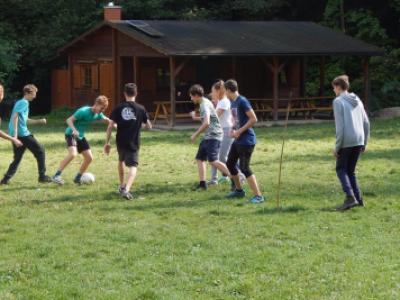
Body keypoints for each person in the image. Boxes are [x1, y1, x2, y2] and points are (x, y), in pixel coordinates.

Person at [104, 83, 152, 200]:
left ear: (124, 94)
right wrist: (142, 124)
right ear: (136, 93)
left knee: (121, 161)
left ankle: (121, 186)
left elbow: (110, 126)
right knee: (133, 166)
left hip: (120, 140)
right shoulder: (141, 108)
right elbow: (149, 126)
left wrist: (107, 142)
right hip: (134, 141)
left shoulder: (118, 107)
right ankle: (127, 189)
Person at [52, 95, 111, 185]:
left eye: (103, 109)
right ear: (96, 103)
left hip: (80, 136)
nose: (101, 110)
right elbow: (69, 120)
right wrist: (74, 130)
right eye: (101, 107)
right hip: (71, 134)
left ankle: (78, 178)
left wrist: (116, 124)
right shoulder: (83, 111)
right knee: (73, 154)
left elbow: (106, 120)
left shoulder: (98, 114)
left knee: (89, 158)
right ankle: (56, 175)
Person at [1, 84, 53, 185]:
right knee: (40, 151)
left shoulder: (20, 103)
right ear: (28, 93)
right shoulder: (24, 102)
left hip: (18, 134)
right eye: (34, 93)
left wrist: (39, 121)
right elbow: (15, 117)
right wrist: (15, 136)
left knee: (17, 158)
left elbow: (25, 120)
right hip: (22, 134)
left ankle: (5, 180)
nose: (35, 96)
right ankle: (42, 176)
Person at [332, 75, 370, 211]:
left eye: (334, 88)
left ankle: (350, 197)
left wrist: (336, 147)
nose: (333, 91)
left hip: (347, 140)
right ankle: (358, 199)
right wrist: (364, 141)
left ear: (337, 87)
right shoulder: (357, 100)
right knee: (351, 171)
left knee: (341, 169)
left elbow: (340, 127)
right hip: (359, 139)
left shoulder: (338, 101)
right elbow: (366, 122)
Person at [224, 79, 265, 204]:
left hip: (247, 140)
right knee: (230, 163)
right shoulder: (233, 103)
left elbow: (253, 119)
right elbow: (236, 120)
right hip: (238, 140)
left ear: (229, 90)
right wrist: (232, 130)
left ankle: (258, 196)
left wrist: (239, 131)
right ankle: (239, 191)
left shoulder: (242, 101)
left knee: (244, 168)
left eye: (225, 91)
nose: (224, 94)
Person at [189, 84, 231, 190]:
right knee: (200, 158)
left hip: (214, 135)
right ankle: (203, 184)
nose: (191, 98)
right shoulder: (204, 102)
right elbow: (207, 119)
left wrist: (195, 134)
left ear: (197, 95)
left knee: (213, 161)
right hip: (208, 136)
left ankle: (235, 177)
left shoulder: (204, 105)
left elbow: (207, 122)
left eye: (192, 96)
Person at [207, 80, 234, 186]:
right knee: (214, 156)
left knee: (223, 157)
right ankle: (214, 180)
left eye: (213, 91)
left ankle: (238, 176)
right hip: (219, 131)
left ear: (218, 91)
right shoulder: (219, 101)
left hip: (227, 131)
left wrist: (201, 118)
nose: (212, 93)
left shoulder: (224, 101)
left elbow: (215, 117)